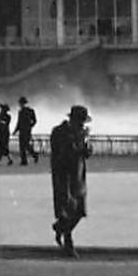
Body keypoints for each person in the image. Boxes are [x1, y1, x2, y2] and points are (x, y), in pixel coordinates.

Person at [49, 104, 93, 257]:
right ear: (72, 120)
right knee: (68, 209)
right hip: (64, 176)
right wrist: (76, 147)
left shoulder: (81, 133)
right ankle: (68, 243)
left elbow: (85, 152)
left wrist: (86, 149)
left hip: (78, 176)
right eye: (80, 122)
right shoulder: (59, 133)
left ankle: (60, 228)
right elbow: (61, 156)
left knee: (80, 211)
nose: (82, 125)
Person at [16, 97, 39, 165]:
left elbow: (34, 120)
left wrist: (30, 126)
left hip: (27, 131)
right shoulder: (20, 111)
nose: (20, 105)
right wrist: (16, 130)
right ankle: (24, 160)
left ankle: (34, 154)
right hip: (22, 130)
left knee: (26, 145)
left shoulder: (30, 111)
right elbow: (19, 122)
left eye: (21, 103)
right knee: (21, 146)